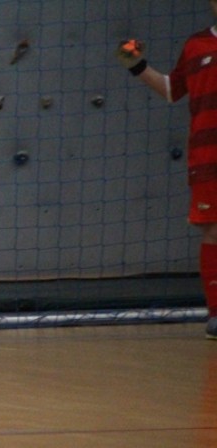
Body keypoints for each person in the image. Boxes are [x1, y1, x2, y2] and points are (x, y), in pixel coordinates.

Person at [117, 1, 217, 339]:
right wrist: (136, 65)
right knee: (214, 232)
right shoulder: (196, 45)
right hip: (208, 158)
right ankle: (216, 315)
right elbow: (173, 90)